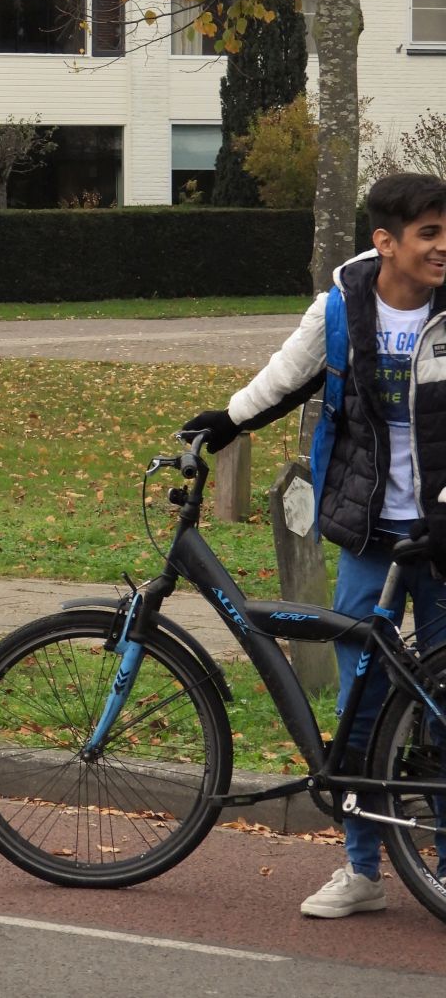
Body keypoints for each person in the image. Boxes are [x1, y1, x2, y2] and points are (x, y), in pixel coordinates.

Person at [183, 171, 446, 920]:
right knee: (363, 699)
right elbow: (281, 380)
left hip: (443, 536)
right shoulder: (340, 310)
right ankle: (361, 866)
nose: (443, 246)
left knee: (442, 705)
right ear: (385, 241)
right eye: (428, 233)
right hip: (371, 536)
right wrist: (222, 422)